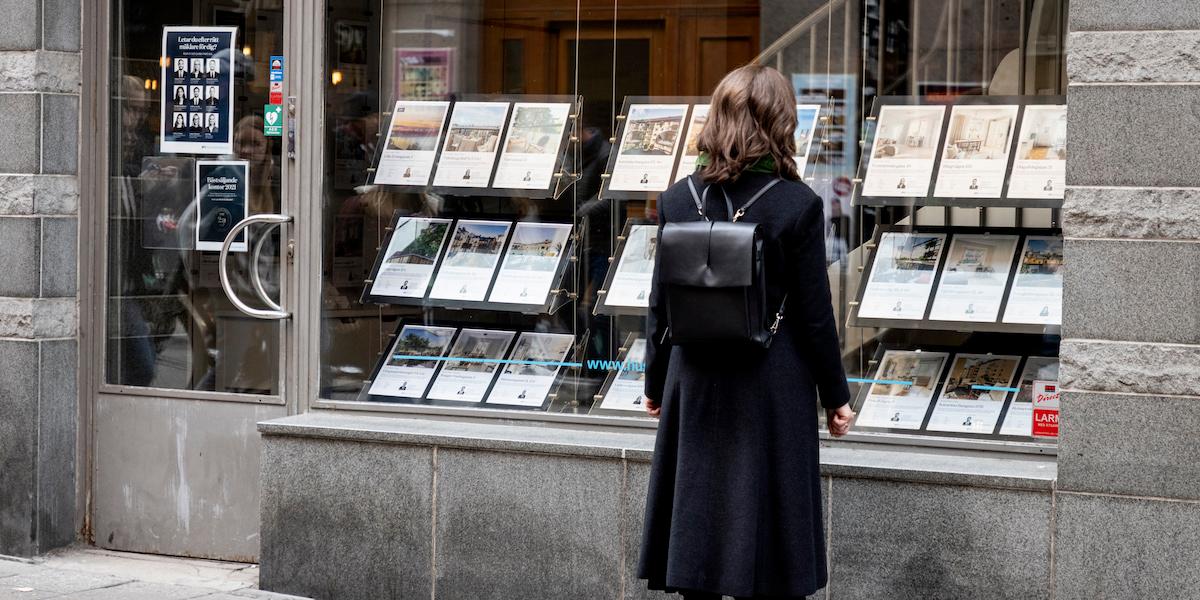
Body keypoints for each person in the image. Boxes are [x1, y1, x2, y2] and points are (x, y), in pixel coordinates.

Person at [638, 64, 855, 600]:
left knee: (698, 534)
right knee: (772, 549)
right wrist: (837, 397)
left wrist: (653, 382)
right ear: (781, 123)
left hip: (694, 379)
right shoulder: (797, 204)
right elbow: (813, 314)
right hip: (772, 382)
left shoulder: (676, 198)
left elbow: (661, 304)